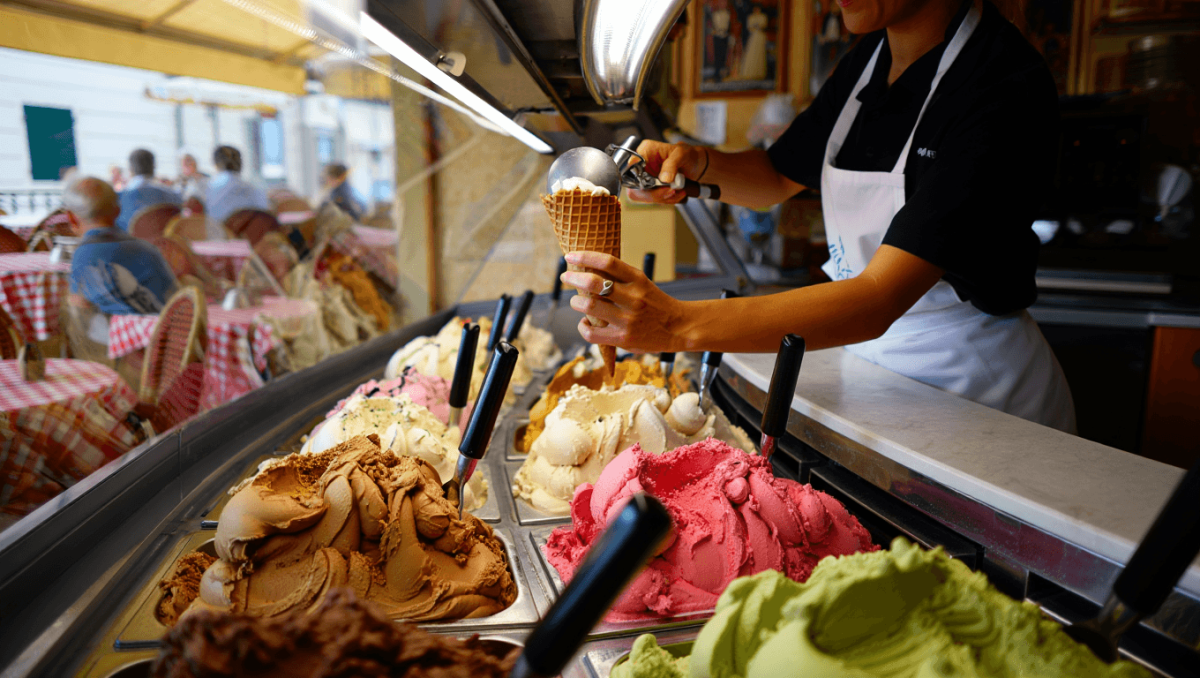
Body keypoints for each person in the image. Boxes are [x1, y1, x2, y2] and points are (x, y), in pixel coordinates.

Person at [560, 0, 1076, 432]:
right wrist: (695, 164)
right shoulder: (867, 61)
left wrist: (676, 323)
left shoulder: (1002, 85)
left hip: (977, 397)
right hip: (876, 371)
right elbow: (776, 176)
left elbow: (878, 299)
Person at [64, 177, 179, 315]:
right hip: (168, 330)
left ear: (71, 218)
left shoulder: (83, 255)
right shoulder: (148, 250)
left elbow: (83, 313)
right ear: (117, 210)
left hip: (120, 334)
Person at [117, 149, 181, 231]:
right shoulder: (173, 195)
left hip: (129, 242)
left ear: (131, 169)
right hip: (161, 242)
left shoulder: (118, 198)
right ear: (153, 167)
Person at [205, 146, 270, 226]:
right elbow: (266, 215)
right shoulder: (255, 186)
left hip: (220, 235)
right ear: (240, 163)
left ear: (216, 164)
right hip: (252, 235)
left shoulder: (209, 188)